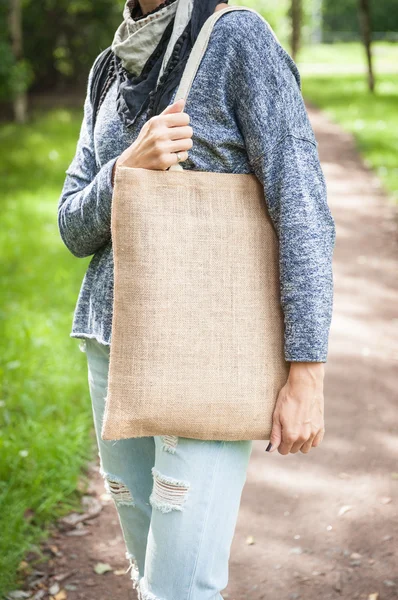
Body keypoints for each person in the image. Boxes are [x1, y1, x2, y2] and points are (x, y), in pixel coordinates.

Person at [57, 0, 336, 598]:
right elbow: (70, 226)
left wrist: (306, 374)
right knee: (149, 575)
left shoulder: (238, 38)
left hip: (207, 354)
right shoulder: (110, 69)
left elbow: (303, 206)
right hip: (111, 351)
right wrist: (126, 169)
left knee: (180, 588)